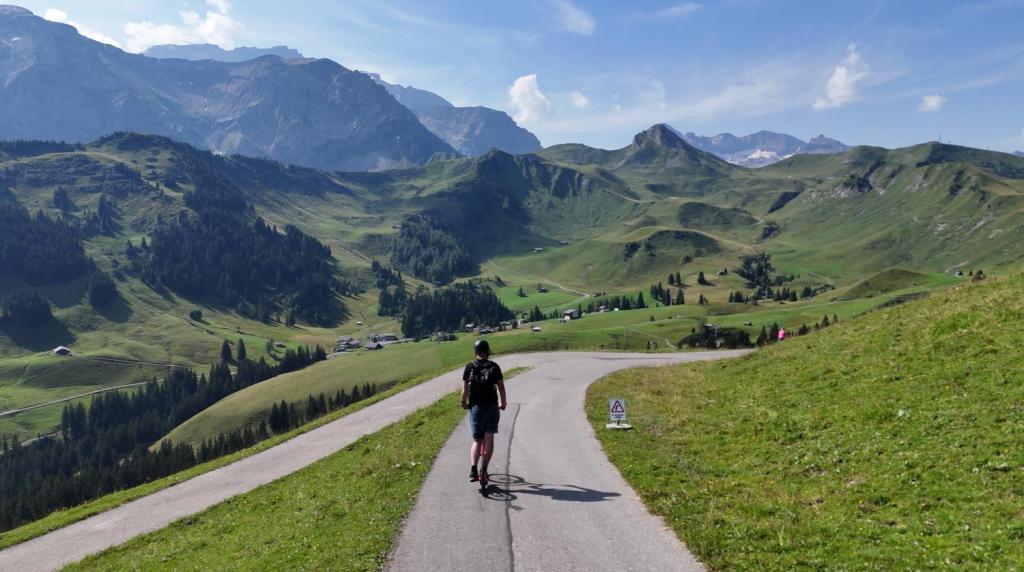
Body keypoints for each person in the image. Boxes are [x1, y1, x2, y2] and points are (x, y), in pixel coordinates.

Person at [461, 339, 506, 485]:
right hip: (492, 407)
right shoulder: (494, 366)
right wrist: (503, 402)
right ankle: (484, 469)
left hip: (476, 408)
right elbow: (501, 387)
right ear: (487, 351)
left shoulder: (469, 367)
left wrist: (463, 403)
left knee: (477, 440)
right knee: (489, 439)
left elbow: (465, 389)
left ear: (475, 352)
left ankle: (474, 469)